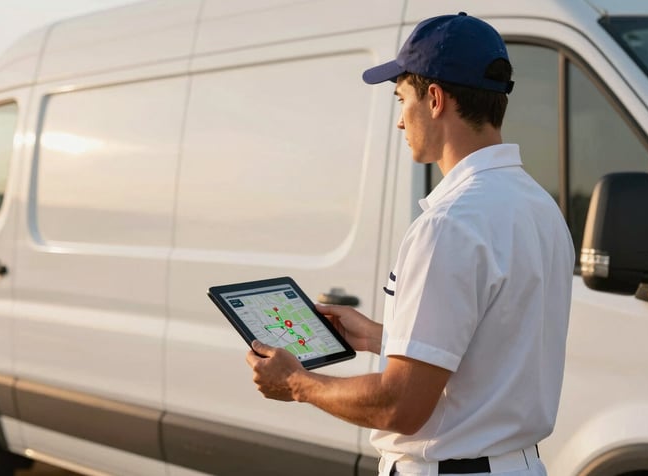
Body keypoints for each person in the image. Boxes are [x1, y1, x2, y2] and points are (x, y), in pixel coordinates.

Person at [246, 12, 574, 476]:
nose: (400, 122)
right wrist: (383, 337)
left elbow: (400, 406)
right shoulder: (540, 208)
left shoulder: (449, 224)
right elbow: (494, 347)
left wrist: (297, 382)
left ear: (435, 99)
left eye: (402, 99)